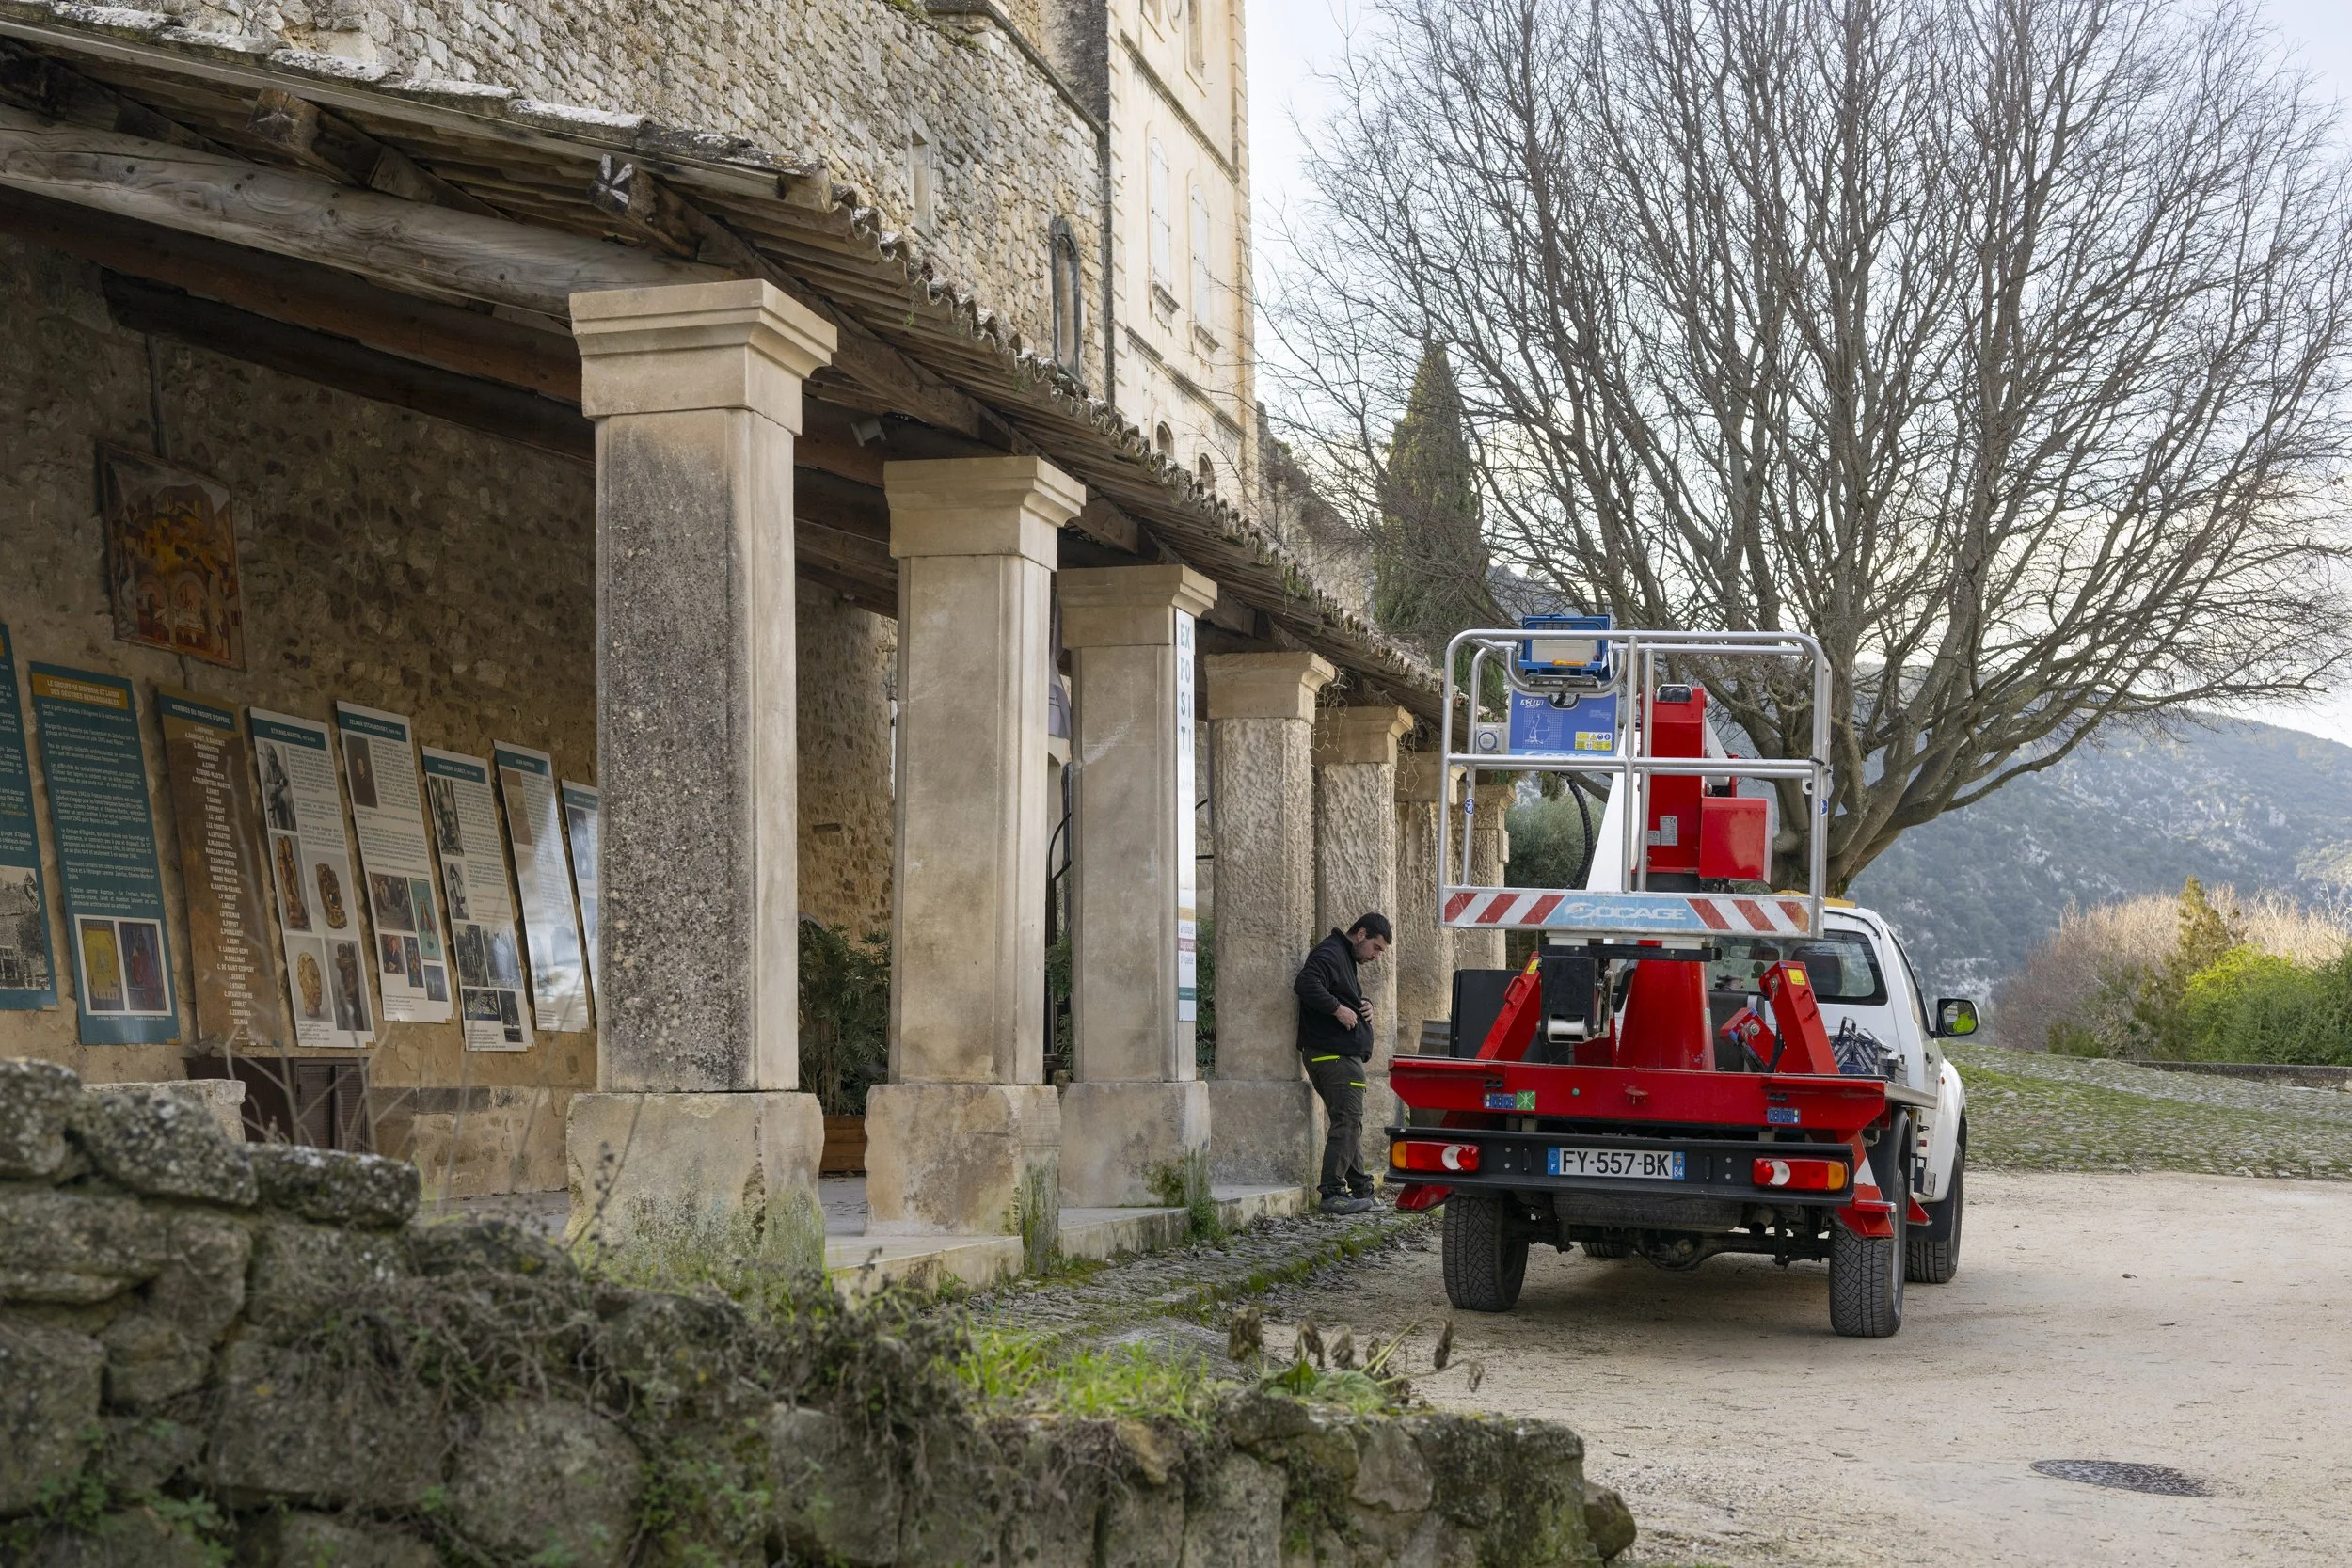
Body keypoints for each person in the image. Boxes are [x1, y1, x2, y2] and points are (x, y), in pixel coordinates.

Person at [1295, 912, 1393, 1215]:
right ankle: (1333, 1193)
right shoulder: (1330, 951)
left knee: (1348, 1123)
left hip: (1337, 1054)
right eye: (1376, 948)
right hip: (1333, 1054)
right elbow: (1306, 983)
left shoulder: (1343, 957)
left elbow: (1340, 991)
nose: (1376, 956)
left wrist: (1365, 1005)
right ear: (1361, 934)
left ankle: (1360, 1189)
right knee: (1348, 1122)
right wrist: (1339, 1010)